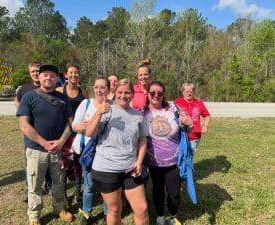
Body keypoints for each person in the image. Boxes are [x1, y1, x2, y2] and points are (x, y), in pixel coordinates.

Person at [86, 78, 149, 225]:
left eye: (127, 92)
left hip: (131, 169)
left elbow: (143, 140)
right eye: (120, 92)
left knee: (142, 209)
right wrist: (99, 112)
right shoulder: (107, 110)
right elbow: (89, 132)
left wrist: (139, 162)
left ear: (132, 94)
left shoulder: (138, 115)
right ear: (115, 93)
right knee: (114, 210)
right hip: (107, 169)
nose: (123, 95)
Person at [16, 64, 74, 225]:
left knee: (59, 181)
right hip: (36, 150)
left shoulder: (63, 98)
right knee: (35, 184)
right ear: (39, 77)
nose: (49, 78)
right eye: (45, 75)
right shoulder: (29, 97)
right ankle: (34, 215)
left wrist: (61, 142)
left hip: (58, 150)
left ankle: (58, 207)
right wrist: (44, 143)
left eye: (52, 76)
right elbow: (24, 125)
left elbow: (70, 123)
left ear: (57, 79)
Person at [143, 81, 194, 225]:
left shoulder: (174, 108)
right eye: (152, 93)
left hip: (175, 161)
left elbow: (188, 129)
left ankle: (173, 215)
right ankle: (159, 215)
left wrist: (190, 124)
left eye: (160, 93)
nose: (156, 96)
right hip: (154, 162)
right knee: (157, 190)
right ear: (148, 94)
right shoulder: (143, 112)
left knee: (174, 193)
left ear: (164, 94)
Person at [72, 77, 110, 224]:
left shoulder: (112, 106)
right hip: (89, 152)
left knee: (107, 187)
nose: (99, 90)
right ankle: (87, 213)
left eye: (102, 87)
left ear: (108, 89)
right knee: (89, 186)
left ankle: (108, 214)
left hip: (106, 153)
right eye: (96, 87)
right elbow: (75, 126)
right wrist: (89, 125)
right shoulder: (85, 103)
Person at [15, 63, 52, 202]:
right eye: (32, 71)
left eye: (37, 71)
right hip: (31, 133)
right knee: (30, 161)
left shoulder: (50, 85)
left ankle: (49, 185)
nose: (35, 73)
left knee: (49, 158)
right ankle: (29, 188)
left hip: (48, 131)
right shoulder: (24, 89)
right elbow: (17, 104)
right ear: (29, 72)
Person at [56, 64, 88, 203]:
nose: (74, 75)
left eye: (76, 73)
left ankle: (77, 191)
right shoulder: (59, 90)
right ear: (66, 75)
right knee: (64, 164)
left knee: (78, 163)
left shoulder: (84, 92)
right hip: (63, 133)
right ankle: (63, 193)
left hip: (78, 133)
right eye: (71, 73)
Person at [174, 82, 211, 156]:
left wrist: (205, 126)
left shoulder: (199, 103)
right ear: (183, 92)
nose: (189, 94)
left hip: (194, 136)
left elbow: (207, 116)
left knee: (189, 157)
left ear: (194, 92)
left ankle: (188, 168)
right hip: (180, 136)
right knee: (179, 157)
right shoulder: (177, 102)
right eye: (187, 92)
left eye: (191, 92)